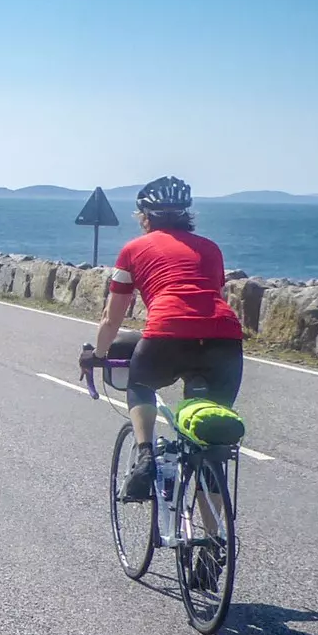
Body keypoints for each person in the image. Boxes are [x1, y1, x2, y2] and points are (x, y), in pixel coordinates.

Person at [85, 176, 243, 500]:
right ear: (187, 214)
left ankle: (145, 457)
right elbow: (211, 295)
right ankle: (214, 545)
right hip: (224, 338)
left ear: (145, 217)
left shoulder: (133, 250)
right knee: (211, 441)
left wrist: (98, 353)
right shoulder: (211, 249)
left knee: (139, 386)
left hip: (167, 332)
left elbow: (112, 318)